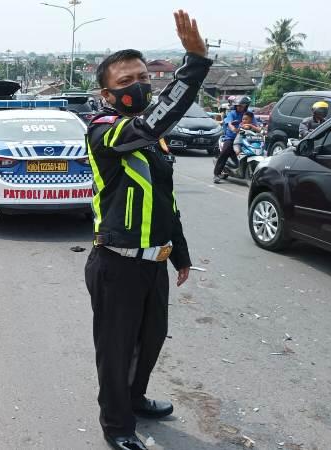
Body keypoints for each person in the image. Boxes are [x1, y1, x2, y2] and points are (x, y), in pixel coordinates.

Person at [84, 10, 210, 450]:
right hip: (115, 264)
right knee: (116, 352)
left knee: (150, 340)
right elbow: (150, 121)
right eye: (126, 82)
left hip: (153, 261)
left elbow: (164, 200)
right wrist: (194, 64)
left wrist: (180, 253)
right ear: (107, 94)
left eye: (143, 76)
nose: (138, 85)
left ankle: (134, 400)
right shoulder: (105, 132)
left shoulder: (153, 143)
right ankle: (117, 425)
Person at [213, 96, 258, 183]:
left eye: (241, 106)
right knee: (225, 151)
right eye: (237, 105)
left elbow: (255, 124)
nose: (239, 107)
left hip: (246, 137)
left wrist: (260, 129)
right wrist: (233, 128)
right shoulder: (232, 113)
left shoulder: (249, 114)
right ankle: (216, 174)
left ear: (246, 106)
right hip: (232, 137)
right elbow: (229, 123)